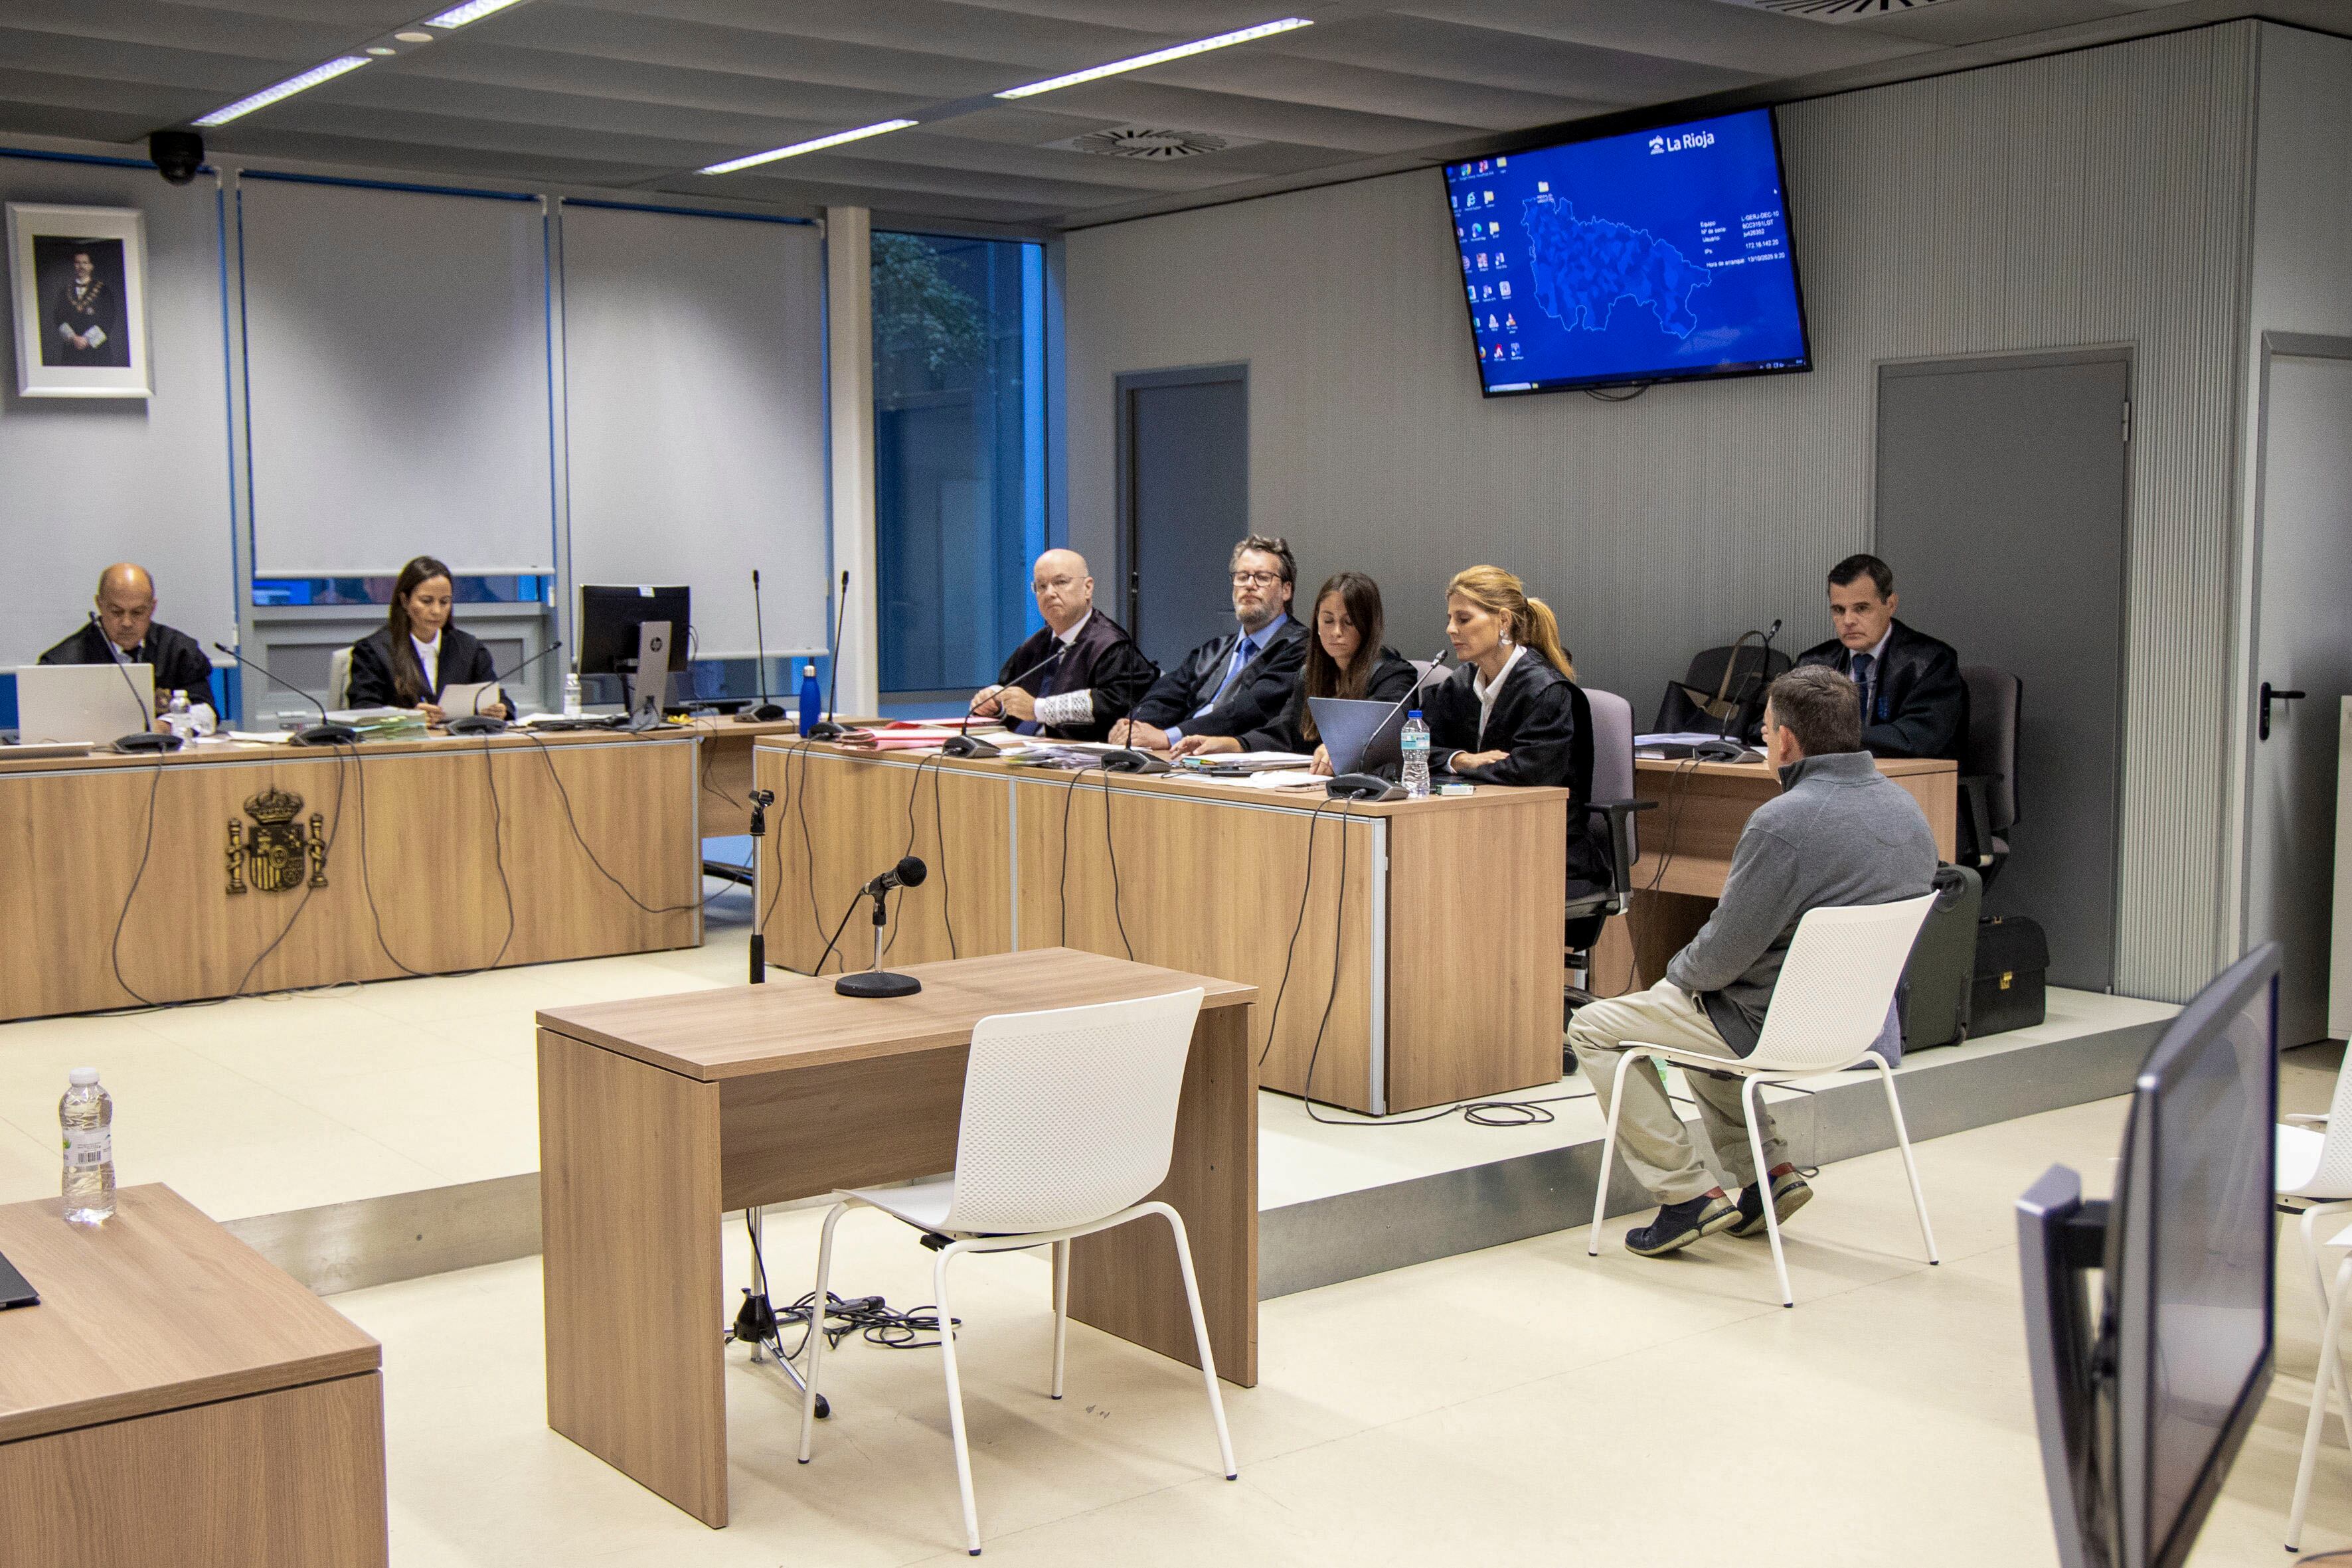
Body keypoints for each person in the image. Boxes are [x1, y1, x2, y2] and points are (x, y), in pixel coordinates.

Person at [1566, 665, 1938, 1257]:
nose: (1765, 742)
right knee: (1699, 1015)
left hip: (1770, 1024)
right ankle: (1768, 1174)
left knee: (1595, 1026)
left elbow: (1718, 958)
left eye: (1765, 732)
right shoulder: (1908, 811)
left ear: (1786, 740)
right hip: (1863, 1026)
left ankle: (1686, 1194)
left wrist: (1674, 981)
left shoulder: (1784, 823)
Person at [1420, 566, 1607, 884]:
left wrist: (1451, 765)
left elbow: (1527, 773)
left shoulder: (1546, 690)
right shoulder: (1458, 685)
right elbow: (1418, 751)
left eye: (1463, 619)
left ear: (1504, 621)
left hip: (1545, 851)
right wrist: (1461, 759)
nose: (1451, 629)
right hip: (1475, 839)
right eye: (1450, 618)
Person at [1170, 570, 1418, 767]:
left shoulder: (1394, 675)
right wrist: (1229, 744)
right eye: (1328, 620)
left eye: (1349, 622)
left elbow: (1381, 733)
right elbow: (1284, 732)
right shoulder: (1310, 674)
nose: (1336, 633)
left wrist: (1340, 748)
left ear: (1368, 626)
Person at [1109, 536, 1305, 751]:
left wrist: (1168, 737)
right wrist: (1132, 725)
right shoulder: (1214, 650)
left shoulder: (1300, 646)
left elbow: (1249, 711)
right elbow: (1166, 694)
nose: (1249, 585)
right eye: (1242, 577)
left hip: (1237, 763)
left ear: (1286, 590)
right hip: (1184, 756)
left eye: (1262, 577)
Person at [968, 549, 1155, 744]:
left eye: (1060, 582)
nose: (1049, 593)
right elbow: (1009, 687)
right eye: (1041, 586)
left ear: (1088, 588)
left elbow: (1114, 704)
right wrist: (995, 702)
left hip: (1081, 762)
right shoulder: (1034, 646)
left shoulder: (1111, 645)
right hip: (1018, 751)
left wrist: (1039, 709)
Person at [1794, 553, 1966, 760]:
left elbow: (1916, 738)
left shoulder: (1931, 662)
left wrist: (1830, 735)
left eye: (1861, 608)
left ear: (1890, 605)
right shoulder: (1814, 662)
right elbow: (1768, 722)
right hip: (1833, 780)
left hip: (1911, 784)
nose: (1848, 620)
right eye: (1839, 610)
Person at [39, 563, 216, 730]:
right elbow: (47, 725)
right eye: (116, 612)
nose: (127, 622)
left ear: (152, 607)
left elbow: (206, 712)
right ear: (100, 605)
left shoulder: (178, 650)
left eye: (138, 612)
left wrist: (167, 726)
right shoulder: (62, 663)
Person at [345, 556, 509, 722]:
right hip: (404, 744)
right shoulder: (374, 651)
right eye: (426, 601)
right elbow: (363, 708)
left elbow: (501, 700)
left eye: (444, 602)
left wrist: (500, 709)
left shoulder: (470, 648)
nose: (437, 611)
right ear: (404, 601)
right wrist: (408, 717)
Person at [46, 246, 127, 368]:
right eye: (78, 263)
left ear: (91, 266)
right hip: (72, 351)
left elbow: (109, 318)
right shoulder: (65, 291)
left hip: (98, 352)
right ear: (74, 266)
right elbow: (58, 317)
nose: (81, 267)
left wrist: (86, 340)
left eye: (85, 263)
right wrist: (73, 338)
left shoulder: (103, 290)